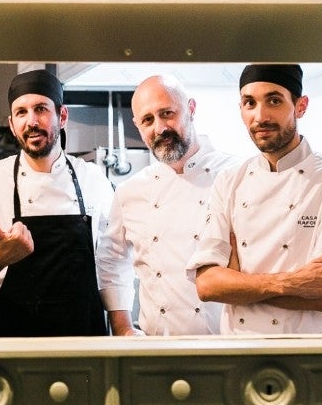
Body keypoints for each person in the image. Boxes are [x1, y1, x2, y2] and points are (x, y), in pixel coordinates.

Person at [188, 63, 322, 334]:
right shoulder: (230, 181)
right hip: (240, 349)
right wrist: (294, 283)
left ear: (300, 106)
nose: (260, 116)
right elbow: (208, 286)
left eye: (273, 100)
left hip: (306, 353)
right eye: (249, 103)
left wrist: (237, 284)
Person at [0, 69, 120, 337]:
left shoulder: (92, 180)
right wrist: (0, 258)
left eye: (40, 109)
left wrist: (124, 330)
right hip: (12, 346)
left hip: (83, 345)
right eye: (21, 112)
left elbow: (113, 266)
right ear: (11, 122)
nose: (31, 121)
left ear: (62, 116)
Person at [97, 74, 239, 336]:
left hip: (227, 345)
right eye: (148, 120)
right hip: (157, 348)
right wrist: (123, 328)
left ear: (191, 109)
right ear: (137, 125)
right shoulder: (131, 191)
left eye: (168, 113)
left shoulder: (236, 175)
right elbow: (112, 263)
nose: (160, 128)